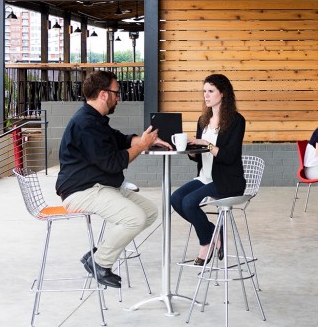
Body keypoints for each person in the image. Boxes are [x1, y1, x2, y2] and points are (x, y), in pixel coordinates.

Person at [55, 70, 169, 288]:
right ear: (103, 94)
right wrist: (141, 146)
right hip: (81, 191)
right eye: (117, 93)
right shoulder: (86, 124)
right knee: (135, 218)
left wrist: (147, 140)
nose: (119, 98)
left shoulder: (95, 119)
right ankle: (100, 262)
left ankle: (97, 254)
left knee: (149, 212)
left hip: (100, 186)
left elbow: (119, 139)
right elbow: (113, 163)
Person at [171, 74, 247, 265]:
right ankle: (213, 232)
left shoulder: (236, 121)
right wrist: (191, 151)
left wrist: (207, 144)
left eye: (211, 91)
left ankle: (206, 243)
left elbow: (229, 156)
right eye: (204, 91)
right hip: (205, 177)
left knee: (189, 202)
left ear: (223, 93)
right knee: (176, 199)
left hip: (227, 180)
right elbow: (199, 156)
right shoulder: (202, 120)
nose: (206, 95)